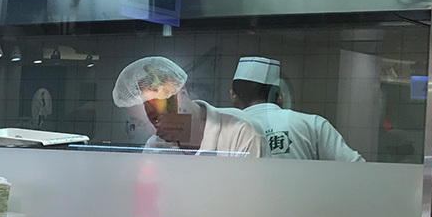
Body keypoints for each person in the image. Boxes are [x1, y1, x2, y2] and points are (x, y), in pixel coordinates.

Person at [113, 56, 265, 157]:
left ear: (182, 94)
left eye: (157, 116)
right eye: (143, 123)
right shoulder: (156, 146)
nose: (154, 130)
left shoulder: (240, 132)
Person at [230, 56, 363, 161]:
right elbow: (357, 168)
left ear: (233, 96)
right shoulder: (313, 125)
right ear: (280, 97)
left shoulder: (227, 129)